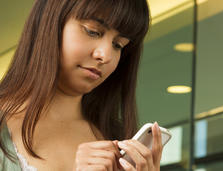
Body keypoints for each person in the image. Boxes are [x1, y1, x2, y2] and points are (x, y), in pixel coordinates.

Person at [0, 0, 163, 170]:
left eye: (118, 45)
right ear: (50, 22)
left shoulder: (120, 140)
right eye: (93, 32)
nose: (105, 55)